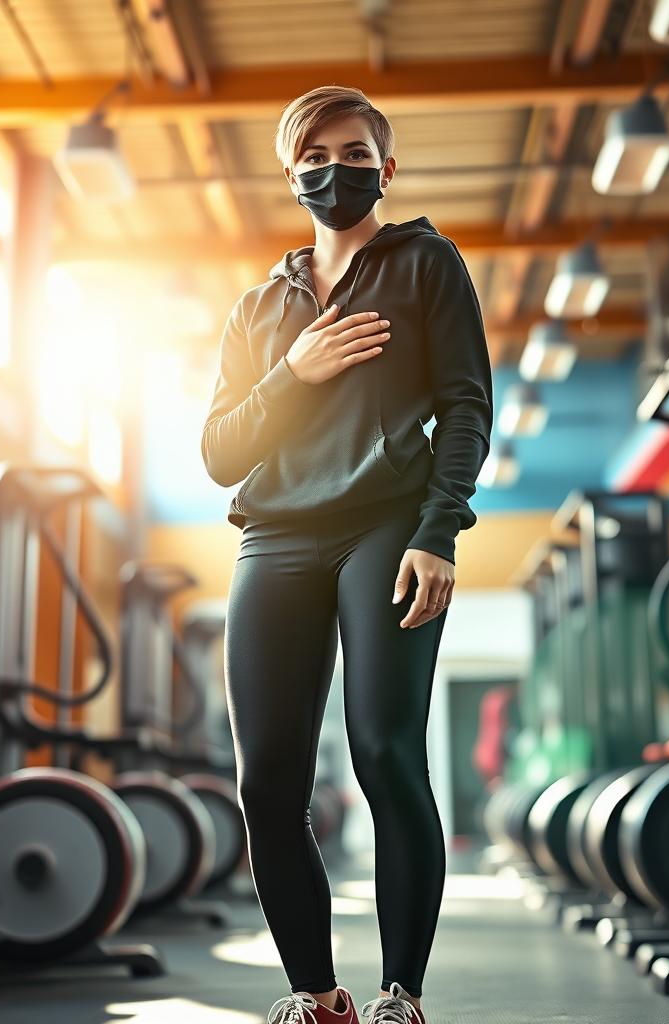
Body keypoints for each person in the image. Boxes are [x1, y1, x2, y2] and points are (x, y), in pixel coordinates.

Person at [200, 84, 494, 1024]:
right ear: (292, 176)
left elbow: (466, 405)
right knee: (268, 781)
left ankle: (399, 996)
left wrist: (438, 530)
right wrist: (295, 372)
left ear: (387, 168)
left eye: (358, 153)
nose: (340, 168)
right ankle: (316, 997)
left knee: (383, 753)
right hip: (277, 536)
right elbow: (219, 452)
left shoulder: (427, 266)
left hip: (387, 527)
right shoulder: (258, 308)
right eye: (318, 155)